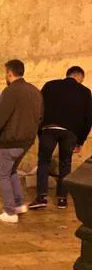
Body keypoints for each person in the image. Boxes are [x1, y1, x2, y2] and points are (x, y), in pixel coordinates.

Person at [0, 59, 43, 223]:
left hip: (11, 140)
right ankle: (19, 204)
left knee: (2, 175)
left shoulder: (11, 91)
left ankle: (10, 211)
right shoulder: (35, 91)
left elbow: (0, 117)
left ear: (10, 73)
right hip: (26, 140)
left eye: (5, 73)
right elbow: (40, 117)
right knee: (11, 171)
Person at [29, 66, 92, 210]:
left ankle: (41, 197)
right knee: (65, 163)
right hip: (70, 132)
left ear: (68, 75)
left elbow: (39, 108)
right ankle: (62, 199)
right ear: (80, 77)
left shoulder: (50, 85)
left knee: (44, 162)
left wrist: (39, 131)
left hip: (49, 129)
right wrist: (80, 140)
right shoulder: (85, 91)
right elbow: (88, 118)